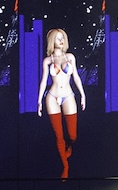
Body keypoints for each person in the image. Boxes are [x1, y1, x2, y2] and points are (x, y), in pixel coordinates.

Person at [36, 29, 85, 179]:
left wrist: (82, 95)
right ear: (52, 41)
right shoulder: (48, 60)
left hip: (68, 95)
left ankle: (68, 146)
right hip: (52, 97)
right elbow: (44, 81)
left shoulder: (70, 57)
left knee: (72, 135)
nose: (61, 40)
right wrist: (39, 101)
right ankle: (65, 166)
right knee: (58, 135)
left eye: (62, 37)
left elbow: (76, 77)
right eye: (57, 38)